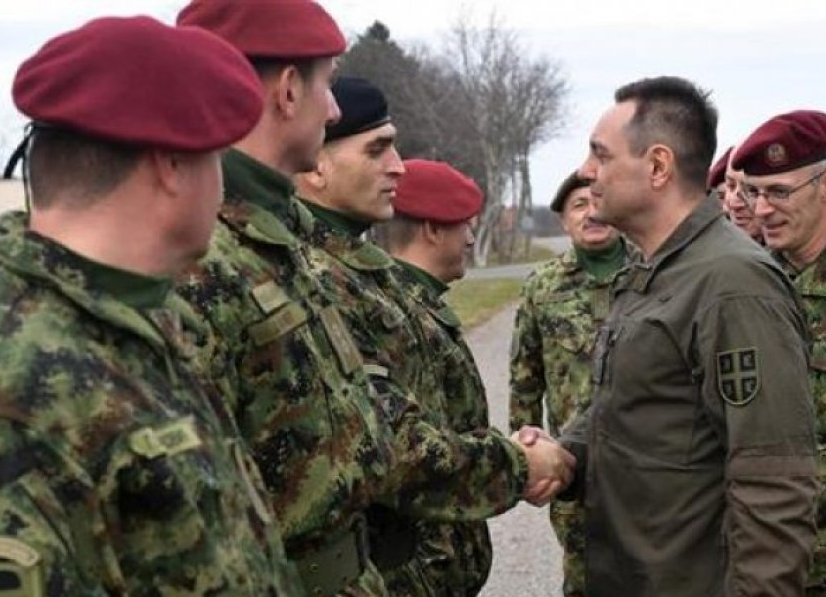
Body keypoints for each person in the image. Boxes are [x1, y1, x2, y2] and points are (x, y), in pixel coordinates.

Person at [175, 7, 573, 597]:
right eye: (328, 85)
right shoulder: (202, 253)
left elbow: (352, 429)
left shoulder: (283, 244)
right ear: (290, 89)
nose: (333, 110)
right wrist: (517, 466)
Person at [0, 16, 303, 596]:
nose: (221, 187)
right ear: (171, 165)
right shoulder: (5, 381)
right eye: (215, 159)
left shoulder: (126, 318)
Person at [293, 75, 575, 597]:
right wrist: (518, 465)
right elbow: (389, 446)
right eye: (377, 149)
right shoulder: (311, 275)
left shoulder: (356, 272)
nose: (398, 166)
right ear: (316, 165)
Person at [555, 76, 818, 596]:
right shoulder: (655, 269)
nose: (586, 172)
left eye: (601, 154)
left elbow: (774, 476)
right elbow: (648, 412)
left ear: (658, 166)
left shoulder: (733, 283)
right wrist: (564, 455)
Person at [733, 110, 826, 596]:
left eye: (779, 192)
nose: (762, 209)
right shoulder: (742, 285)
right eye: (753, 192)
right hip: (760, 564)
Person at [377, 158, 494, 596]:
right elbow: (409, 448)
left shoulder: (417, 305)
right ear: (432, 229)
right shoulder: (392, 316)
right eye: (465, 225)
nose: (470, 239)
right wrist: (520, 466)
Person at [508, 171, 625, 597]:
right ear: (563, 220)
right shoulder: (543, 286)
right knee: (584, 574)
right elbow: (525, 377)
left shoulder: (653, 274)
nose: (591, 213)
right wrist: (526, 455)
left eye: (597, 201)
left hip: (647, 460)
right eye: (579, 205)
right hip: (577, 465)